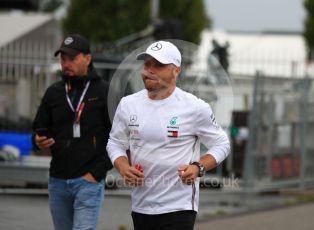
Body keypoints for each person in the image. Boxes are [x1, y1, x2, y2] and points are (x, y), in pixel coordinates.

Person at [107, 41, 230, 230]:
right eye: (147, 64)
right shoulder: (128, 104)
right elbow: (115, 143)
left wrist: (198, 167)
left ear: (176, 70)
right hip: (141, 205)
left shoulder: (195, 107)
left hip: (179, 206)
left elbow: (222, 144)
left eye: (158, 65)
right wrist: (123, 167)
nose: (150, 70)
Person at [32, 34, 113, 230]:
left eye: (72, 59)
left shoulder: (104, 92)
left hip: (88, 181)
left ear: (88, 58)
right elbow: (39, 129)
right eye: (63, 59)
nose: (66, 64)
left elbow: (119, 138)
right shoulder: (54, 92)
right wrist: (38, 140)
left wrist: (97, 172)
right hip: (58, 180)